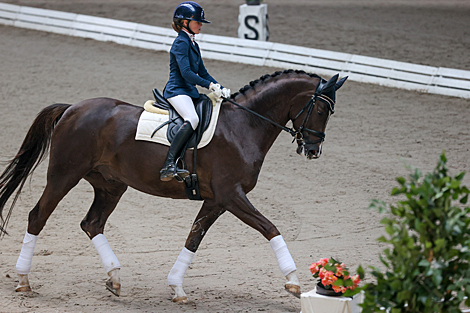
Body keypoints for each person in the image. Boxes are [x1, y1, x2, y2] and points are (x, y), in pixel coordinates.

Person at [160, 1, 230, 182]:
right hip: (177, 90)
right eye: (197, 22)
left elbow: (203, 72)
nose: (200, 25)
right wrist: (208, 86)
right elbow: (187, 73)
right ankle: (168, 164)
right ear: (184, 23)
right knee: (192, 119)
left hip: (188, 91)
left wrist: (219, 86)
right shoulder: (180, 44)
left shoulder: (193, 44)